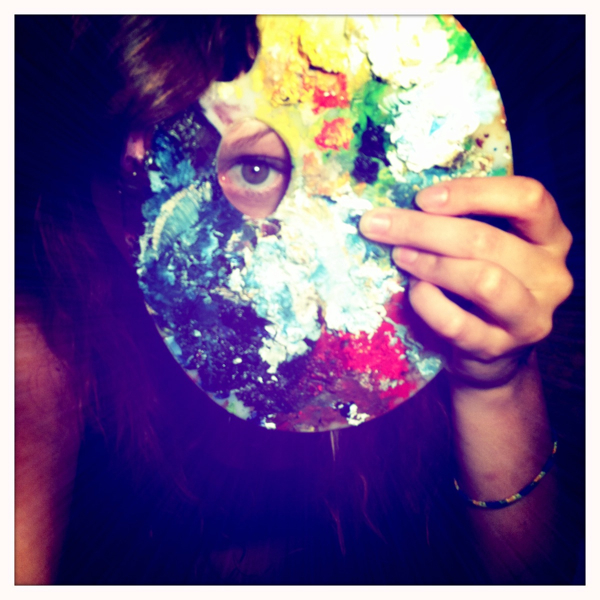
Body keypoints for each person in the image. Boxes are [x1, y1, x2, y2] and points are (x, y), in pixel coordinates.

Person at [15, 15, 585, 584]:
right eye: (126, 178)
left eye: (252, 167)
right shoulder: (49, 340)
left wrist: (495, 386)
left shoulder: (417, 315)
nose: (148, 234)